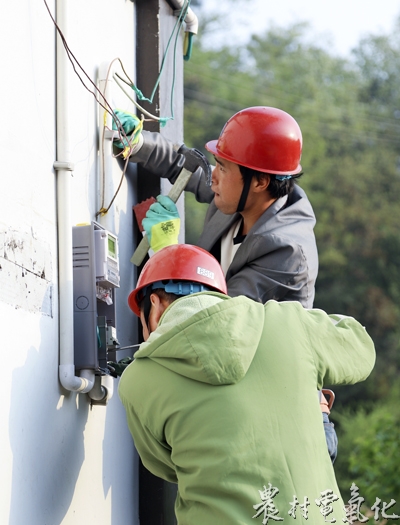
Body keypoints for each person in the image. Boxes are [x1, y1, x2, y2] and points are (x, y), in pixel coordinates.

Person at [113, 105, 337, 461]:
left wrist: (169, 252)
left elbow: (214, 318)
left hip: (283, 416)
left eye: (224, 167)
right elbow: (189, 167)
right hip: (236, 376)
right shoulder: (241, 194)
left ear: (260, 181)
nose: (213, 176)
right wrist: (138, 144)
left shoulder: (288, 254)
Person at [118, 244, 376, 525]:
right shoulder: (287, 322)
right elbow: (361, 349)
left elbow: (166, 465)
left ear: (154, 305)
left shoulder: (138, 379)